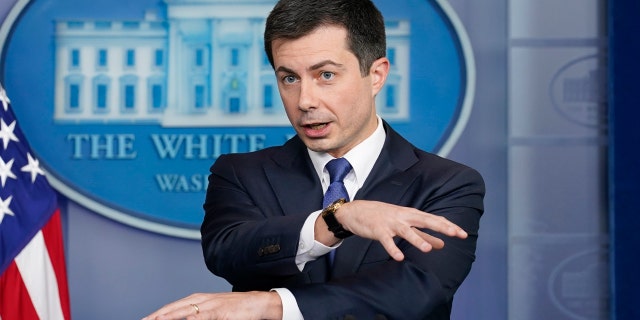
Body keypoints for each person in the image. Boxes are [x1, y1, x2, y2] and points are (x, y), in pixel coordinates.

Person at [143, 0, 485, 319]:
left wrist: (272, 304)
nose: (305, 100)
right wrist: (337, 220)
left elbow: (414, 292)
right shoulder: (241, 173)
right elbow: (228, 253)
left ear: (376, 75)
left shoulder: (447, 184)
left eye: (326, 75)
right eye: (289, 78)